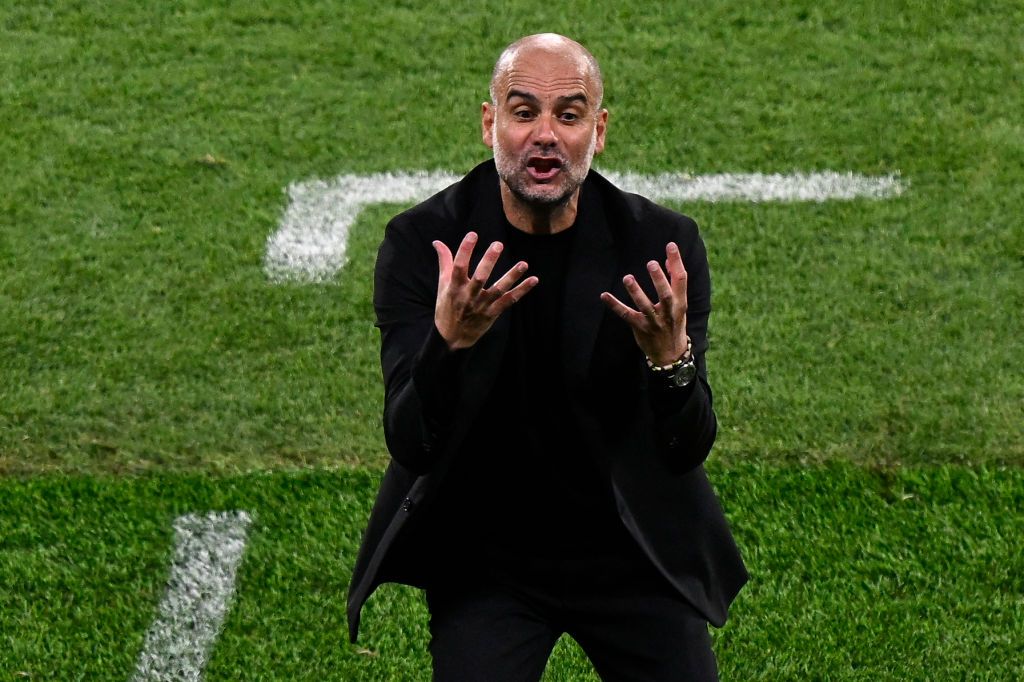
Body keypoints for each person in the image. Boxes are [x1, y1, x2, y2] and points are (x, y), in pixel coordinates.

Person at [348, 33, 747, 681]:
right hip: (487, 563)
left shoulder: (658, 247)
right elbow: (411, 442)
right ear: (489, 123)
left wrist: (670, 360)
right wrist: (447, 346)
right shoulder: (425, 244)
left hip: (629, 552)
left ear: (599, 130)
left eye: (569, 114)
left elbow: (685, 449)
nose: (546, 136)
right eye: (523, 111)